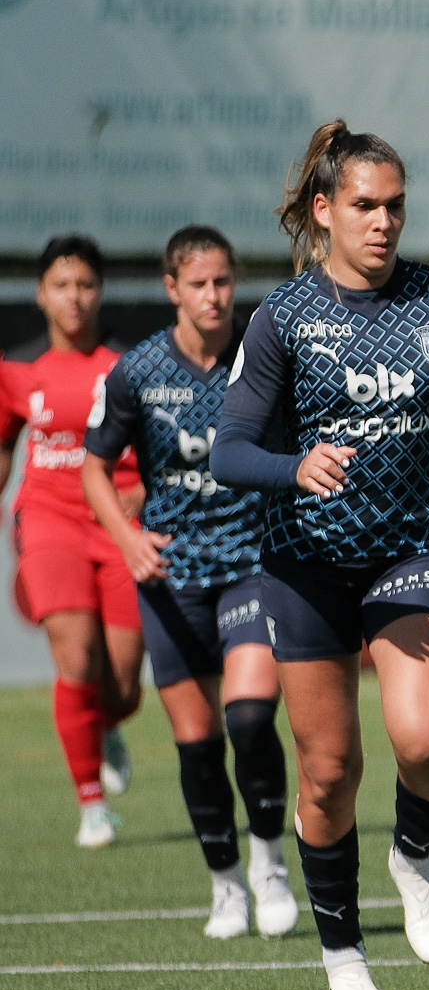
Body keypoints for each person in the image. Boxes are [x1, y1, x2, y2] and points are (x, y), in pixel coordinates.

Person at [211, 121, 429, 990]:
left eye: (395, 206)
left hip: (412, 548)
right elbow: (229, 450)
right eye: (364, 205)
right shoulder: (282, 319)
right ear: (324, 210)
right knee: (330, 771)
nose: (383, 223)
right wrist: (291, 466)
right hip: (303, 566)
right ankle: (344, 958)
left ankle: (413, 856)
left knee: (424, 740)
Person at [81, 225, 297, 940]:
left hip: (252, 564)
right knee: (199, 743)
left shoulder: (262, 358)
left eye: (224, 282)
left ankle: (268, 863)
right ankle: (225, 886)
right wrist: (127, 537)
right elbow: (93, 468)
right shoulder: (137, 371)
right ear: (172, 288)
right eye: (199, 284)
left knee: (249, 717)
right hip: (171, 577)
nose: (214, 296)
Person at [0, 235, 145, 848]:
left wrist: (147, 496)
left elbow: (160, 448)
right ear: (40, 294)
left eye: (85, 284)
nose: (75, 297)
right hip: (49, 520)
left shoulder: (131, 364)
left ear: (100, 291)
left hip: (120, 522)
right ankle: (91, 805)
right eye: (62, 285)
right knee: (76, 657)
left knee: (122, 684)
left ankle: (105, 726)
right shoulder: (15, 368)